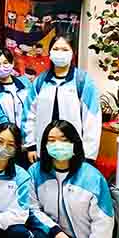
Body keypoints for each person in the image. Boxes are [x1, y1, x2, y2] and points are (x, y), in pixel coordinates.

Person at [27, 120, 114, 238]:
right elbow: (32, 209)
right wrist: (55, 231)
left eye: (64, 139)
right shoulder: (35, 172)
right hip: (53, 235)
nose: (57, 145)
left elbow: (104, 222)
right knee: (33, 237)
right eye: (51, 140)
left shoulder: (92, 177)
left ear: (75, 143)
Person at [23, 35, 101, 164]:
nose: (60, 53)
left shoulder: (83, 81)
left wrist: (88, 155)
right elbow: (29, 114)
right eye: (56, 49)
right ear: (49, 52)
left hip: (73, 152)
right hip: (44, 150)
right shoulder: (40, 81)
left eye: (65, 49)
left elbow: (92, 119)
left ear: (72, 53)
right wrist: (30, 145)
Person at [0, 47, 32, 167]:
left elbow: (31, 110)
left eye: (5, 63)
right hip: (4, 142)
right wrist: (14, 139)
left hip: (27, 142)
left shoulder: (25, 82)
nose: (2, 67)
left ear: (12, 63)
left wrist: (29, 139)